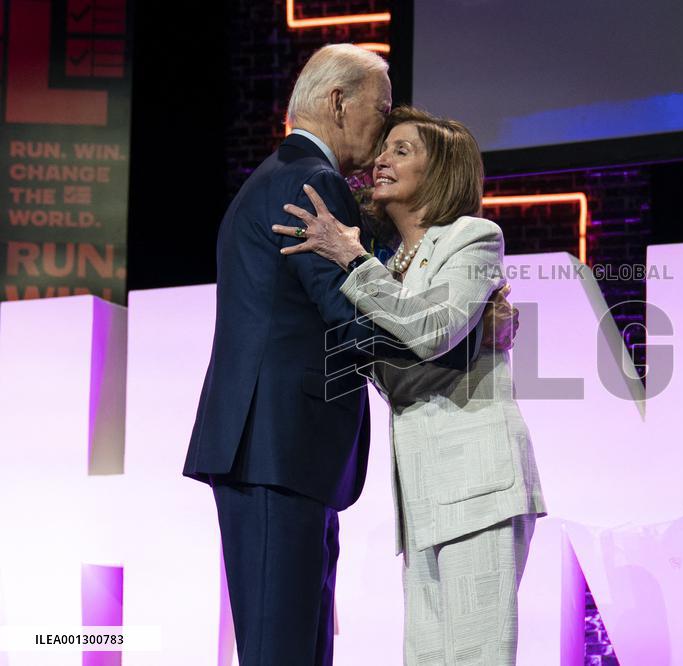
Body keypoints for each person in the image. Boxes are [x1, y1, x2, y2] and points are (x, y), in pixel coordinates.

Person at [183, 47, 515, 666]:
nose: (383, 137)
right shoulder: (312, 182)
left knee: (296, 645)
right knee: (281, 648)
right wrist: (464, 341)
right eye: (381, 111)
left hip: (278, 449)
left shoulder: (283, 174)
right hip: (278, 447)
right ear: (339, 102)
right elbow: (350, 318)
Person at [274, 106, 547, 665]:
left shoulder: (472, 237)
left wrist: (352, 259)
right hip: (422, 496)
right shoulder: (392, 261)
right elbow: (390, 361)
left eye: (401, 151)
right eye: (383, 149)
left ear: (441, 170)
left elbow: (432, 328)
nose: (381, 160)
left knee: (476, 658)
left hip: (479, 487)